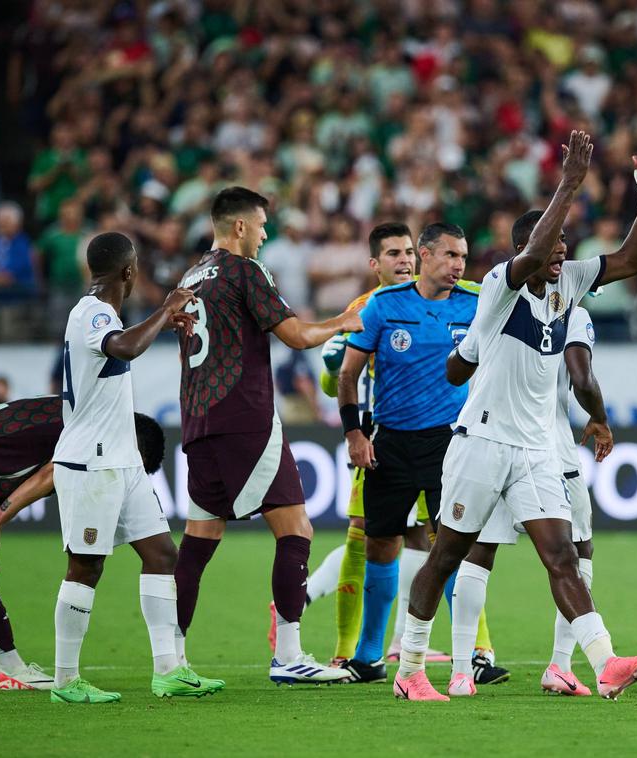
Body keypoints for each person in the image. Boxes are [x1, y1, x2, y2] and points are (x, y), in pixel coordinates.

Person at [392, 131, 637, 702]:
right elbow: (535, 256)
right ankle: (412, 669)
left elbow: (633, 260)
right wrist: (569, 181)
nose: (563, 251)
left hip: (538, 450)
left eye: (565, 242)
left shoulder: (568, 283)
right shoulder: (500, 284)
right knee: (445, 556)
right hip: (482, 442)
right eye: (555, 242)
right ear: (526, 249)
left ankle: (605, 662)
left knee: (562, 556)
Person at [171, 187, 360, 686]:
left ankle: (171, 659)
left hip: (197, 423)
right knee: (297, 529)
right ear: (238, 227)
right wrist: (343, 321)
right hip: (245, 420)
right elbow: (295, 335)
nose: (264, 234)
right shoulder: (245, 271)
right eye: (260, 226)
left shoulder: (190, 276)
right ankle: (290, 655)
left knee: (198, 541)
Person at [49, 231, 221, 704]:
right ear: (129, 271)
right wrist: (166, 310)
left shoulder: (103, 314)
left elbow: (124, 342)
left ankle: (168, 670)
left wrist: (161, 320)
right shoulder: (93, 312)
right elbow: (122, 347)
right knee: (85, 565)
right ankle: (66, 681)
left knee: (163, 554)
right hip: (91, 463)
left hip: (122, 461)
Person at [298, 222, 461, 668]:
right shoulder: (366, 308)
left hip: (445, 440)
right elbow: (339, 379)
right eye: (393, 253)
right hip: (381, 440)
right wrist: (352, 427)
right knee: (368, 538)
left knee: (445, 541)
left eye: (408, 251)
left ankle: (471, 651)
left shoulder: (464, 297)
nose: (404, 259)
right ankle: (352, 650)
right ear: (375, 263)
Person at [0, 395, 164, 690]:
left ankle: (3, 663)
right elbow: (52, 472)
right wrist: (0, 516)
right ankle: (9, 669)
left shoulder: (80, 408)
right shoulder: (98, 429)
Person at [336, 222, 478, 684]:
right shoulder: (383, 306)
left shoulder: (474, 306)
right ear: (425, 255)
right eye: (451, 255)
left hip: (450, 444)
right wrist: (355, 435)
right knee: (380, 545)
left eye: (463, 256)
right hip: (391, 442)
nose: (459, 264)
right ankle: (369, 655)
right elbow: (347, 375)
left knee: (454, 548)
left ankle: (465, 659)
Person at [446, 302, 611, 697]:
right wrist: (601, 418)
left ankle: (461, 671)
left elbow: (460, 366)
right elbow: (581, 375)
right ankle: (561, 665)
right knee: (576, 552)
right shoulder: (572, 313)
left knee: (478, 553)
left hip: (494, 443)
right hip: (549, 450)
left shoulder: (498, 303)